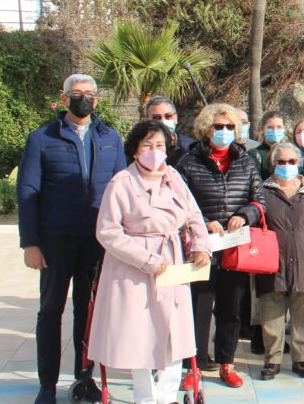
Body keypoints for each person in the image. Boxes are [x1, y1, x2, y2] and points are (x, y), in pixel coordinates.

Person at [17, 74, 127, 404]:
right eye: (77, 94)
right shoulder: (42, 138)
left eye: (90, 94)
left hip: (96, 241)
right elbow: (28, 192)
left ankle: (85, 378)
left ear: (97, 100)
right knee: (50, 311)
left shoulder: (110, 137)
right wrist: (30, 243)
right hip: (55, 240)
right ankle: (47, 383)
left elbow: (121, 190)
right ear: (64, 99)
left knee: (88, 310)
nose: (84, 99)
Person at [87, 120, 212, 404]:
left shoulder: (174, 178)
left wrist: (201, 247)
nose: (154, 152)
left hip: (173, 263)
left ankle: (167, 396)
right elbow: (107, 231)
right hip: (134, 268)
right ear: (135, 150)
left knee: (172, 333)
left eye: (159, 145)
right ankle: (144, 397)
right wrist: (147, 260)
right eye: (147, 145)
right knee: (139, 336)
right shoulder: (121, 182)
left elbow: (194, 216)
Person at [174, 102, 265, 389]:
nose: (224, 131)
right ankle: (195, 366)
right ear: (206, 128)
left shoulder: (246, 161)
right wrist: (203, 221)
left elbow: (259, 201)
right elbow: (178, 204)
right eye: (218, 126)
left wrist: (244, 215)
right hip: (202, 247)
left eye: (229, 126)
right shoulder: (188, 163)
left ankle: (227, 363)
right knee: (199, 309)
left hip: (235, 247)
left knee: (231, 309)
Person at [257, 142, 304, 381]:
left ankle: (302, 358)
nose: (287, 166)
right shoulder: (262, 190)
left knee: (303, 313)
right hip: (273, 260)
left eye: (292, 161)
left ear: (299, 163)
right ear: (273, 164)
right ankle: (272, 359)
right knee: (271, 313)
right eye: (281, 161)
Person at [144, 95, 197, 167]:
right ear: (147, 120)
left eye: (168, 116)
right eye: (156, 117)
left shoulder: (191, 148)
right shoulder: (139, 150)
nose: (163, 121)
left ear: (176, 118)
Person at [249, 111, 288, 178]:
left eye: (279, 127)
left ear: (284, 129)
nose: (275, 130)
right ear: (264, 129)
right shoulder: (255, 154)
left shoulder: (290, 153)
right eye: (270, 127)